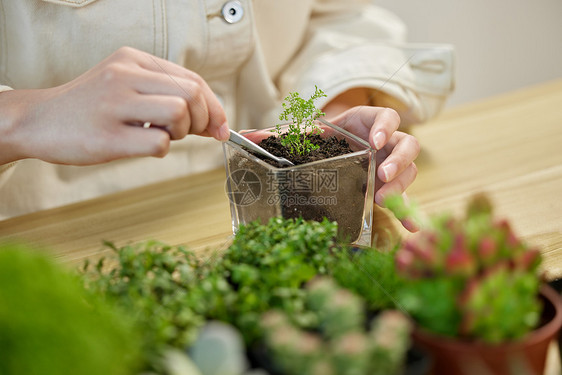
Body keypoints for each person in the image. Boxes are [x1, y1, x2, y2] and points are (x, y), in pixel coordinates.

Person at [0, 0, 454, 225]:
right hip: (41, 237)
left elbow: (336, 15)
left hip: (262, 225)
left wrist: (333, 122)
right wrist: (21, 118)